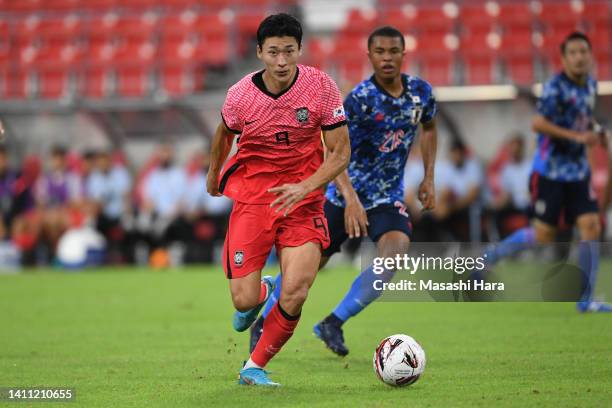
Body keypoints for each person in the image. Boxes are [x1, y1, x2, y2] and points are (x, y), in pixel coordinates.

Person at [250, 26, 438, 357]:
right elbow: (332, 150)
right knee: (303, 274)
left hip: (385, 197)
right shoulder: (359, 100)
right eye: (380, 52)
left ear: (403, 54)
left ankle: (333, 322)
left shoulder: (421, 93)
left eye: (394, 51)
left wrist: (428, 177)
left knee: (394, 254)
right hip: (341, 196)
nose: (387, 58)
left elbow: (430, 128)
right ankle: (264, 321)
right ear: (370, 56)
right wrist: (350, 199)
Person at [206, 13, 350, 386]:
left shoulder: (321, 87)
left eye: (289, 51)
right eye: (274, 52)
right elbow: (224, 134)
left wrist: (307, 187)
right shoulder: (240, 95)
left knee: (298, 288)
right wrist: (213, 174)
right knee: (243, 301)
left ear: (300, 50)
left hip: (303, 202)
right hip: (254, 199)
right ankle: (261, 291)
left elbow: (339, 153)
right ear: (260, 53)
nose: (282, 61)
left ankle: (253, 366)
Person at [477, 32, 611, 312]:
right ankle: (488, 258)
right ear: (563, 58)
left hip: (578, 173)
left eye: (583, 51)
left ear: (590, 56)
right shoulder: (555, 88)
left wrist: (596, 133)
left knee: (590, 227)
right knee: (543, 236)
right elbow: (538, 124)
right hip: (549, 173)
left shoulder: (589, 86)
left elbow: (584, 121)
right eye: (572, 52)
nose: (579, 57)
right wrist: (577, 137)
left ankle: (585, 301)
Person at [86, 149, 132, 263]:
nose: (103, 165)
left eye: (105, 161)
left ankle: (128, 258)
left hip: (120, 213)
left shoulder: (121, 173)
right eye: (100, 162)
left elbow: (126, 196)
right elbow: (95, 202)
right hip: (103, 215)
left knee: (130, 226)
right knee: (91, 224)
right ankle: (98, 258)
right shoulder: (94, 177)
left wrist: (127, 212)